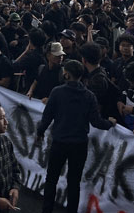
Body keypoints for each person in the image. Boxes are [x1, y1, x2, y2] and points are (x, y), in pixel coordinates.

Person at [36, 59, 115, 213]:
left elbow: (47, 117)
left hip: (59, 143)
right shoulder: (89, 96)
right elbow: (97, 122)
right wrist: (110, 123)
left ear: (66, 74)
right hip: (79, 145)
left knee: (51, 179)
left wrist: (40, 132)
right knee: (74, 182)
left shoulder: (57, 92)